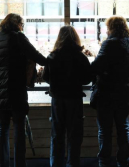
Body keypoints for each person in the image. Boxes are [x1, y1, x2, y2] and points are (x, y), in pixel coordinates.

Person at [0, 13, 47, 167]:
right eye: (22, 24)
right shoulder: (18, 37)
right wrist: (51, 61)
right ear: (17, 24)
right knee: (19, 127)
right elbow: (35, 55)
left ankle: (1, 164)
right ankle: (19, 164)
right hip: (15, 86)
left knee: (2, 127)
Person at [91, 16, 129, 167]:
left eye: (107, 28)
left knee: (105, 131)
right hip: (125, 93)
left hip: (106, 93)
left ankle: (104, 162)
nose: (106, 31)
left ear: (111, 28)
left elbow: (96, 66)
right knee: (123, 129)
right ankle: (123, 162)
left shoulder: (109, 44)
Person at [42, 26, 91, 167]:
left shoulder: (52, 56)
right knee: (74, 135)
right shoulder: (80, 56)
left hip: (57, 99)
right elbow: (87, 78)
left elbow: (46, 77)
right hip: (74, 98)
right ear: (75, 38)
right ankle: (72, 163)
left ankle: (56, 163)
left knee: (57, 134)